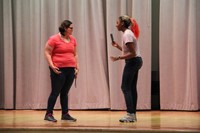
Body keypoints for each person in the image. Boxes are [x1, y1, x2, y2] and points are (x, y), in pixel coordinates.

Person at [44, 20, 79, 122]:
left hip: (70, 69)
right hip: (58, 69)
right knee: (55, 92)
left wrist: (77, 67)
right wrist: (52, 65)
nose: (72, 29)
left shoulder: (72, 39)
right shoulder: (54, 39)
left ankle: (65, 114)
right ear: (65, 28)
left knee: (65, 92)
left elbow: (75, 54)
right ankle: (48, 114)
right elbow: (47, 52)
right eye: (71, 28)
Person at [110, 15, 143, 122]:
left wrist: (118, 57)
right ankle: (132, 114)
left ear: (122, 23)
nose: (116, 25)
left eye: (117, 22)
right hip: (136, 61)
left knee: (125, 87)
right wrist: (118, 46)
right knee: (131, 88)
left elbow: (132, 53)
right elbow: (129, 51)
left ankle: (130, 114)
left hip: (133, 62)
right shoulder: (128, 33)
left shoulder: (127, 35)